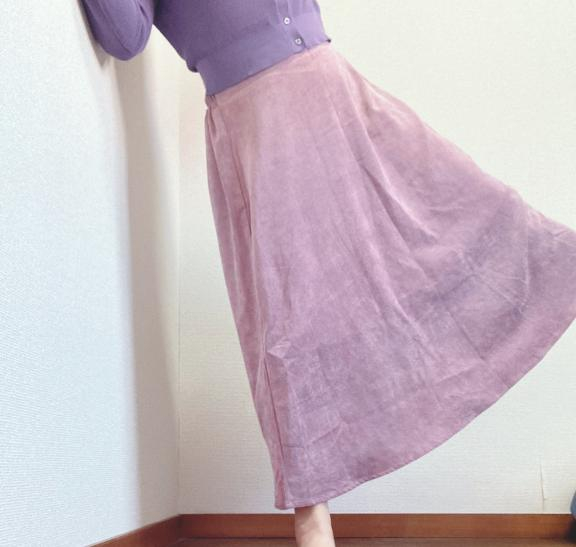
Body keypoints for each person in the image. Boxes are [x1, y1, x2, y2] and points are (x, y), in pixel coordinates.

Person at [80, 2, 576, 546]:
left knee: (446, 202)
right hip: (256, 119)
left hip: (329, 80)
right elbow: (125, 37)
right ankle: (311, 513)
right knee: (291, 316)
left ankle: (560, 266)